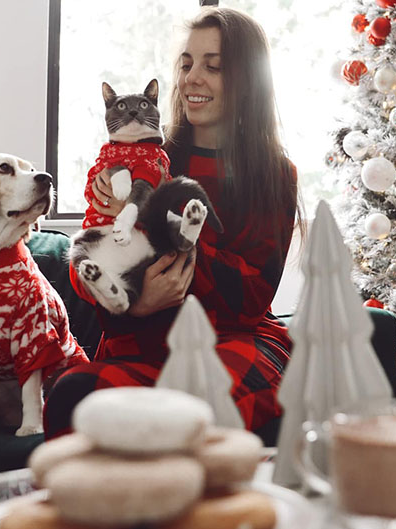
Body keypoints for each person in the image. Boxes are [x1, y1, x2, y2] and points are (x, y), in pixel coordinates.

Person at [43, 6, 303, 446]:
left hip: (229, 339)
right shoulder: (137, 157)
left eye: (213, 66)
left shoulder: (275, 174)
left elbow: (253, 295)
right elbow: (90, 255)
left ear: (247, 82)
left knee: (203, 398)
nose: (191, 78)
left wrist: (178, 246)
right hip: (140, 339)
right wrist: (137, 303)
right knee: (74, 395)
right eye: (186, 63)